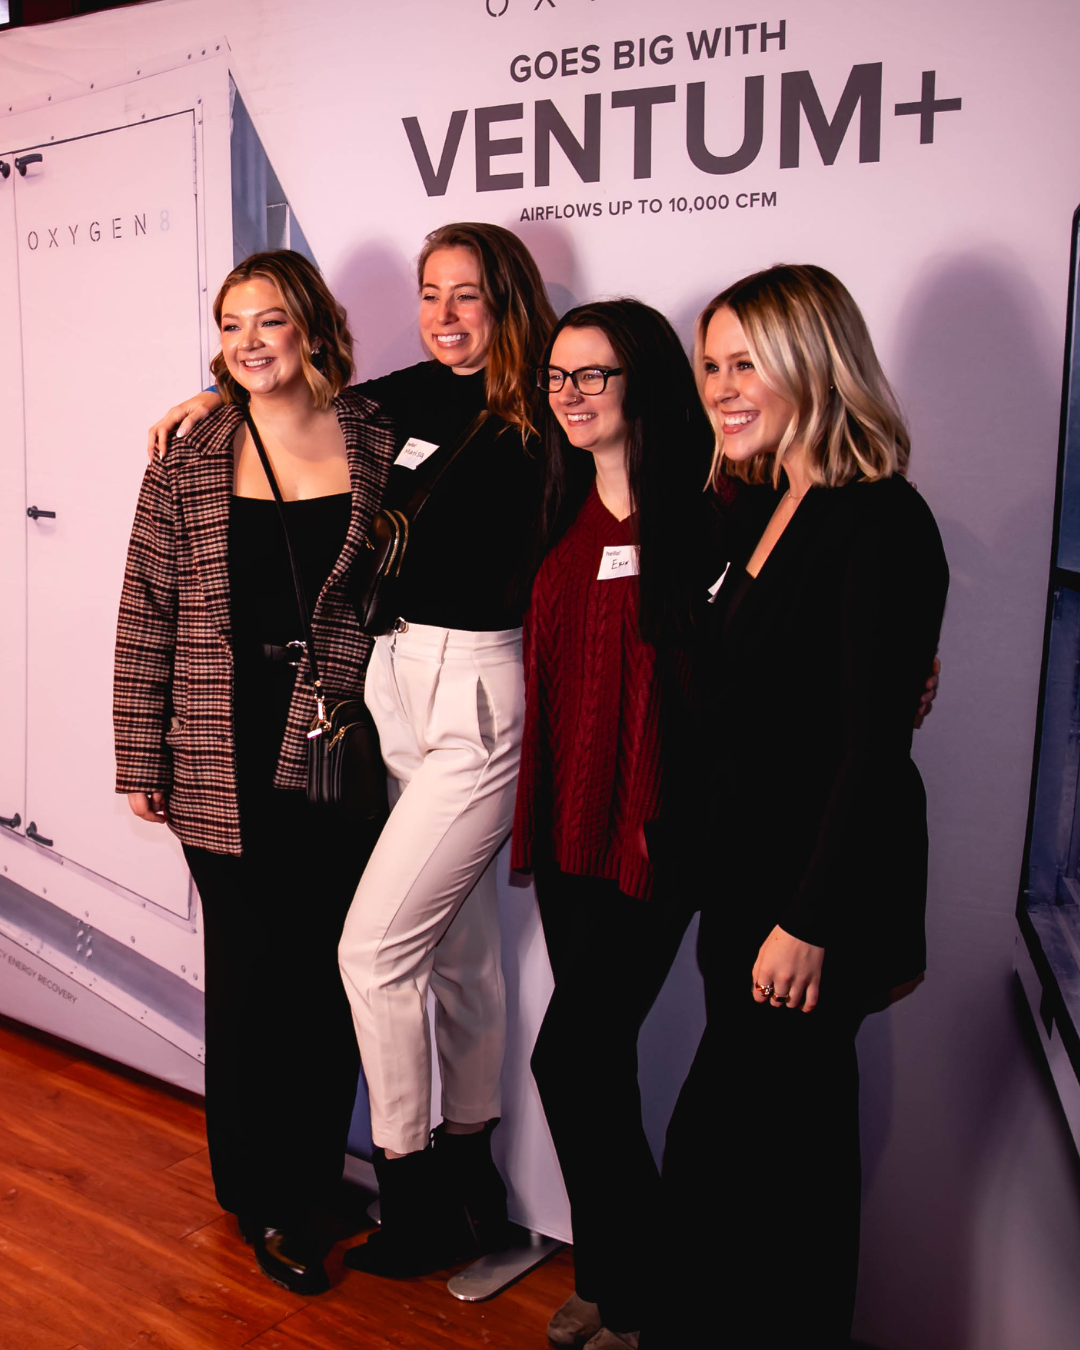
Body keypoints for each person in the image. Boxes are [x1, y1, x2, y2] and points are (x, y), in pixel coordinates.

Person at [146, 223, 558, 1276]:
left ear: (510, 302)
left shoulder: (491, 415)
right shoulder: (338, 420)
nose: (448, 315)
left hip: (392, 720)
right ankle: (303, 1192)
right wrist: (213, 398)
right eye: (432, 295)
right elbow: (147, 605)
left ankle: (391, 1186)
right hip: (301, 723)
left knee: (364, 961)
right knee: (313, 967)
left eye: (469, 296)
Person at [646, 264, 950, 1347]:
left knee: (770, 1167)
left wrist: (809, 921)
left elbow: (869, 751)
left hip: (814, 899)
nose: (721, 387)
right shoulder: (763, 504)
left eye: (745, 364)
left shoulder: (881, 521)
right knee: (770, 1164)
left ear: (812, 364)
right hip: (748, 887)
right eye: (712, 365)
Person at [115, 249, 397, 1295]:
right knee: (253, 970)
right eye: (231, 325)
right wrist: (139, 753)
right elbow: (145, 606)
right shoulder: (189, 456)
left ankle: (312, 1172)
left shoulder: (376, 440)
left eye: (269, 321)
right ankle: (262, 1199)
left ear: (312, 328)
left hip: (332, 742)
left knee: (328, 968)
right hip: (216, 744)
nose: (248, 343)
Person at [511, 299, 720, 1350]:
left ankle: (640, 1294)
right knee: (604, 1066)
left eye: (593, 374)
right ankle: (614, 1281)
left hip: (654, 839)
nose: (572, 396)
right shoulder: (556, 509)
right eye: (557, 377)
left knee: (571, 1059)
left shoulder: (709, 515)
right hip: (564, 833)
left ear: (644, 380)